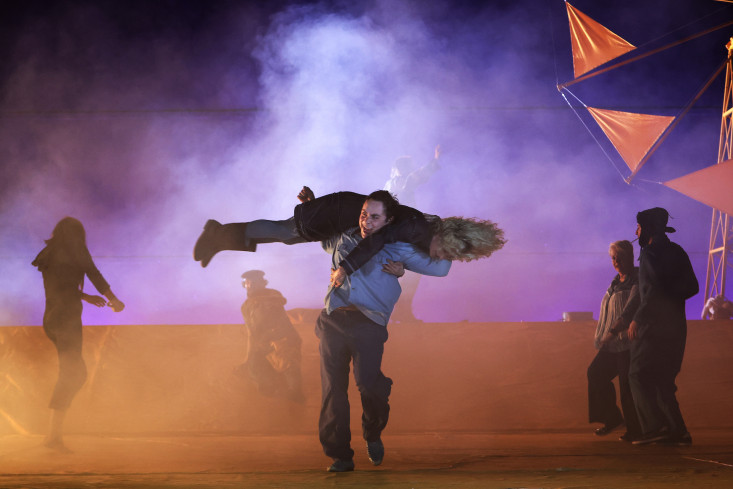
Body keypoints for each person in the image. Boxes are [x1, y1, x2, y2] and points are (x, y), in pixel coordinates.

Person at [316, 190, 452, 472]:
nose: (366, 221)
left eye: (375, 217)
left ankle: (373, 431)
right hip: (333, 319)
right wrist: (310, 207)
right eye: (364, 214)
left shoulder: (398, 247)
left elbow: (441, 269)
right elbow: (321, 236)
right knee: (333, 389)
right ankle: (340, 456)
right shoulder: (345, 237)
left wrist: (406, 266)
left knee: (368, 385)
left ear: (389, 221)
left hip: (369, 323)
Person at [193, 186, 505, 280]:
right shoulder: (414, 227)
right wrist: (345, 268)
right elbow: (377, 241)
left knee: (286, 234)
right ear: (445, 239)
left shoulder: (426, 227)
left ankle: (219, 239)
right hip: (339, 213)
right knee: (286, 232)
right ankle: (218, 233)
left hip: (341, 215)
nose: (441, 257)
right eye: (446, 252)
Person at [32, 217, 125, 452]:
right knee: (73, 374)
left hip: (52, 319)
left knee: (74, 373)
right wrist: (112, 299)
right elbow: (93, 273)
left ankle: (54, 435)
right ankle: (52, 438)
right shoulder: (75, 249)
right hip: (66, 320)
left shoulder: (50, 253)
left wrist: (86, 298)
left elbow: (60, 288)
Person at [627, 208, 699, 446]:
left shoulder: (649, 253)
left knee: (637, 373)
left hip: (653, 327)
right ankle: (678, 431)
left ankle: (656, 428)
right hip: (676, 328)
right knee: (663, 379)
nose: (635, 231)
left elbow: (651, 291)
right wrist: (671, 298)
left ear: (646, 228)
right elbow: (693, 287)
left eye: (638, 226)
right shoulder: (677, 251)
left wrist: (638, 317)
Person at [587, 240, 642, 442]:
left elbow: (630, 310)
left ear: (629, 256)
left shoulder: (636, 279)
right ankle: (612, 418)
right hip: (611, 344)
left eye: (619, 257)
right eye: (613, 257)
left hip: (628, 342)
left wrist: (612, 332)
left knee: (627, 388)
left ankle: (636, 430)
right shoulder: (615, 282)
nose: (616, 261)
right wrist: (601, 336)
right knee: (595, 374)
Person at [383, 146, 441, 322]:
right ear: (403, 168)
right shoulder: (402, 181)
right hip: (403, 235)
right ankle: (402, 311)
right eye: (410, 166)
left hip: (394, 235)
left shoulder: (388, 185)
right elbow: (418, 176)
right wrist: (436, 160)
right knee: (413, 272)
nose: (412, 169)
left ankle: (400, 311)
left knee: (405, 274)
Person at [239, 269, 304, 403]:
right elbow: (251, 334)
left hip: (284, 341)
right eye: (247, 283)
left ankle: (296, 401)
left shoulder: (273, 296)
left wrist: (278, 342)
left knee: (290, 372)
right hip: (264, 345)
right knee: (255, 368)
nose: (249, 286)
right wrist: (248, 357)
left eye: (252, 282)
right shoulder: (246, 306)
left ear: (261, 283)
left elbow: (277, 305)